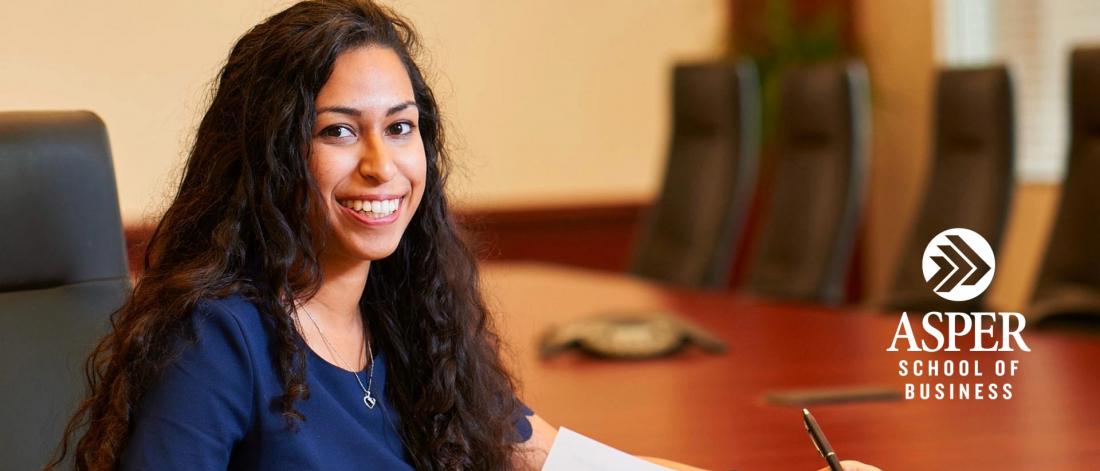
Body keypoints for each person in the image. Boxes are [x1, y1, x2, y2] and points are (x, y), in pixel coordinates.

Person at [48, 1, 880, 470]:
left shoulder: (410, 320)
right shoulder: (221, 337)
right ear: (269, 156)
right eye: (339, 132)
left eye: (401, 128)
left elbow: (541, 456)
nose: (383, 165)